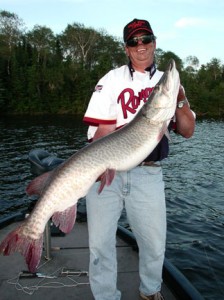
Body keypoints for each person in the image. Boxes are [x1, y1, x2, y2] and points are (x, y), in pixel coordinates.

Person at [83, 18, 195, 300]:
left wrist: (180, 100)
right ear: (126, 48)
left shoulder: (168, 86)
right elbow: (103, 132)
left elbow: (187, 130)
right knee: (100, 245)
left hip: (148, 173)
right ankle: (106, 297)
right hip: (106, 169)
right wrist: (96, 167)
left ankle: (149, 293)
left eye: (146, 40)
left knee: (154, 244)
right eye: (134, 42)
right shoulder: (111, 80)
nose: (141, 46)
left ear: (154, 43)